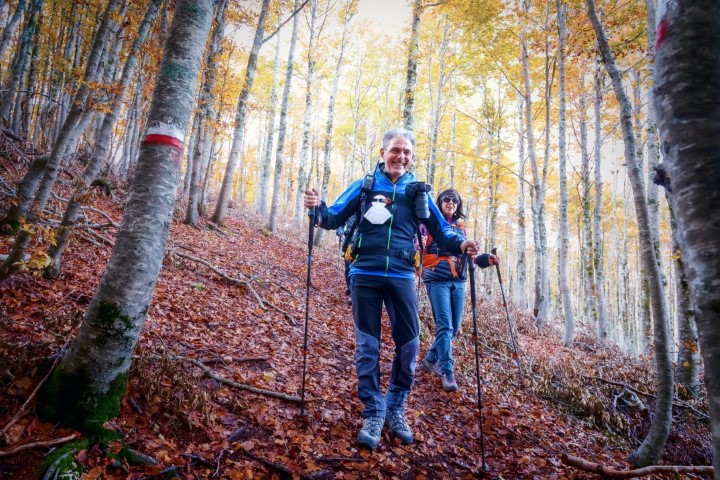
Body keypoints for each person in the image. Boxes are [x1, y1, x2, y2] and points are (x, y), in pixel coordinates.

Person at [303, 128, 493, 450]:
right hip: (364, 273)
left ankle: (395, 406)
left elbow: (442, 232)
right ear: (383, 152)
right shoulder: (365, 186)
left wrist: (463, 243)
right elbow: (332, 217)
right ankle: (373, 411)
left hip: (403, 275)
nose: (400, 156)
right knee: (368, 346)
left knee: (409, 346)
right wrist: (316, 207)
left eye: (406, 152)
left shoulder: (418, 193)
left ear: (412, 157)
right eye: (395, 150)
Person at [417, 189, 499, 392]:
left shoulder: (461, 227)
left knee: (453, 328)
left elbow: (469, 257)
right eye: (446, 199)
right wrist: (417, 271)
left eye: (454, 200)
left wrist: (485, 260)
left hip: (458, 281)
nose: (450, 203)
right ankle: (447, 371)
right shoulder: (429, 224)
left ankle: (429, 360)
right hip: (437, 278)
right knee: (444, 326)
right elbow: (417, 249)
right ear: (439, 202)